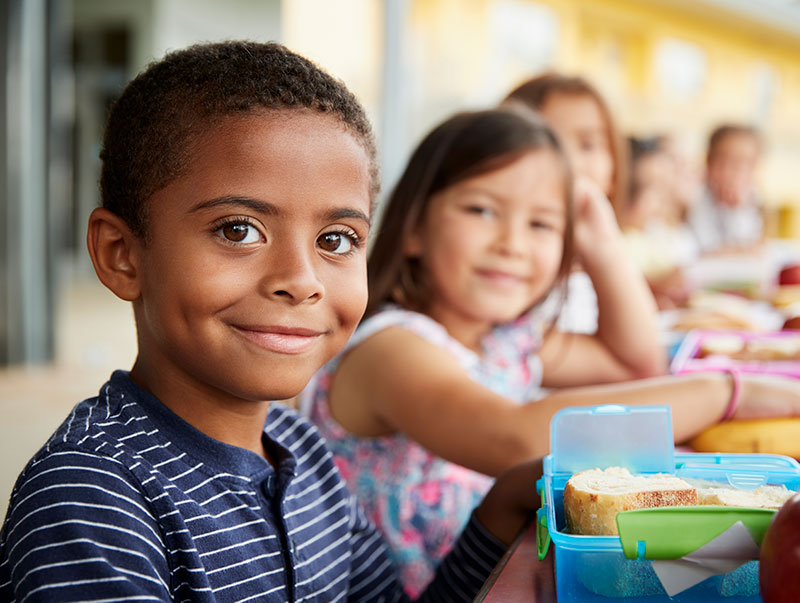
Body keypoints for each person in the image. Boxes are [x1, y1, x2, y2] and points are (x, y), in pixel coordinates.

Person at [0, 41, 545, 602]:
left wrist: (502, 506)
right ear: (122, 254)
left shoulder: (301, 451)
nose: (302, 279)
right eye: (238, 230)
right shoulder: (92, 493)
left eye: (336, 240)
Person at [303, 106, 800, 594]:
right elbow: (517, 440)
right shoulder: (390, 348)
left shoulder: (505, 338)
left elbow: (634, 361)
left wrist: (602, 243)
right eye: (482, 210)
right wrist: (727, 389)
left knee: (717, 567)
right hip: (448, 587)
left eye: (542, 224)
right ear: (413, 227)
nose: (512, 243)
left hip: (505, 566)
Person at [502, 72, 634, 333]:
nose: (570, 164)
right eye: (548, 140)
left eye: (588, 145)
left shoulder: (598, 269)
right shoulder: (509, 267)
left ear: (614, 172)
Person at [687, 124, 765, 255]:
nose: (737, 171)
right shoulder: (695, 196)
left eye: (747, 163)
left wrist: (737, 210)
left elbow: (753, 245)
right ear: (709, 161)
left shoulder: (752, 198)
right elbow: (705, 249)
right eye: (727, 161)